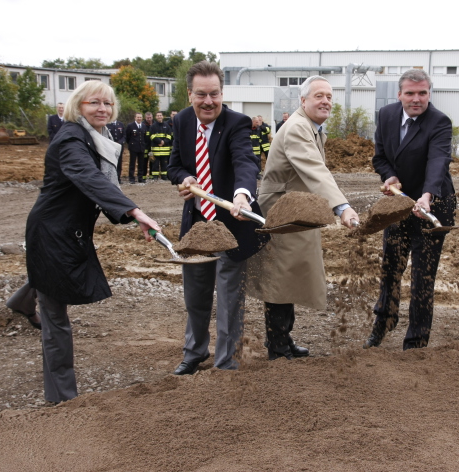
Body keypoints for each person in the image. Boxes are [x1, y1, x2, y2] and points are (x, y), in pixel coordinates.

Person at [24, 80, 161, 404]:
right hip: (52, 234)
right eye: (94, 103)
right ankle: (63, 400)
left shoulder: (98, 136)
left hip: (67, 231)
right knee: (57, 321)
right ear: (78, 106)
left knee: (50, 281)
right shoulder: (72, 137)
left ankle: (22, 300)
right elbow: (88, 177)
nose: (103, 109)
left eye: (108, 104)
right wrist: (133, 210)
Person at [248, 76, 359, 360]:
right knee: (281, 277)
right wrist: (342, 207)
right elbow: (315, 171)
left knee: (288, 275)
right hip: (281, 213)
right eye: (319, 96)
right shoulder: (298, 127)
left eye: (329, 97)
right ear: (303, 101)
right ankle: (278, 346)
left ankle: (282, 340)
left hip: (295, 211)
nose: (326, 101)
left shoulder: (311, 126)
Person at [167, 61, 268, 373]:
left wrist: (241, 195)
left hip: (231, 224)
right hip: (197, 227)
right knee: (195, 296)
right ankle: (194, 353)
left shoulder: (237, 123)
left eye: (214, 94)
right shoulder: (182, 121)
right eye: (201, 94)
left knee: (229, 300)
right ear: (190, 95)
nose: (208, 101)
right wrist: (185, 179)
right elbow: (174, 165)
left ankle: (226, 361)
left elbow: (245, 161)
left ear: (222, 93)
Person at [365, 69, 456, 350]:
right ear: (399, 94)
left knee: (422, 276)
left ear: (429, 93)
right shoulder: (387, 115)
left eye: (423, 93)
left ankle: (416, 340)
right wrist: (389, 176)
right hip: (400, 204)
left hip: (432, 206)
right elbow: (379, 157)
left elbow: (438, 161)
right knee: (391, 267)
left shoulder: (439, 121)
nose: (416, 99)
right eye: (410, 93)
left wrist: (427, 195)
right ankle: (385, 321)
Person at [149, 111, 172, 180]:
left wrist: (164, 142)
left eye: (160, 115)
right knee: (155, 164)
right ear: (156, 117)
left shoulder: (167, 126)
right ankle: (155, 176)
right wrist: (160, 141)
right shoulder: (153, 126)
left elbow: (169, 136)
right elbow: (152, 136)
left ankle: (164, 176)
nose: (159, 117)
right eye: (158, 115)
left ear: (162, 116)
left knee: (164, 164)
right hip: (156, 149)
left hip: (165, 150)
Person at [125, 113, 145, 184]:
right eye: (138, 117)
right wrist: (130, 144)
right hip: (133, 147)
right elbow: (127, 137)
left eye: (140, 117)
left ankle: (140, 177)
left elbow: (144, 137)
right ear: (135, 118)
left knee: (141, 163)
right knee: (132, 163)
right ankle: (131, 178)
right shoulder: (130, 126)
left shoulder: (143, 126)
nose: (139, 118)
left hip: (141, 147)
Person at [141, 111, 154, 182]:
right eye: (147, 118)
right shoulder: (143, 125)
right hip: (145, 147)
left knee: (152, 161)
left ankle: (152, 175)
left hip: (153, 147)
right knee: (144, 162)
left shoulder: (154, 124)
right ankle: (144, 176)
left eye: (150, 117)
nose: (149, 119)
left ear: (152, 117)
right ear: (145, 118)